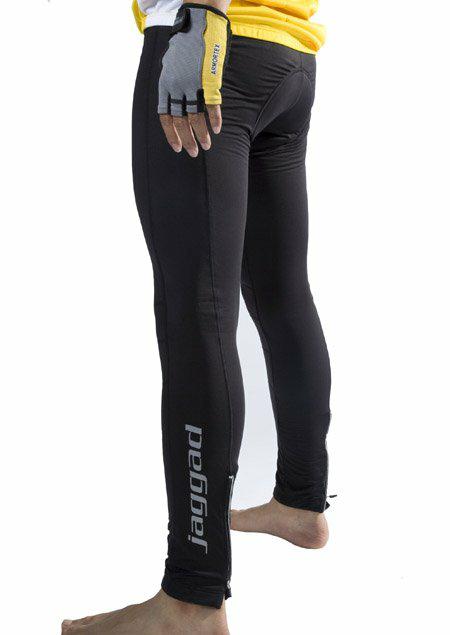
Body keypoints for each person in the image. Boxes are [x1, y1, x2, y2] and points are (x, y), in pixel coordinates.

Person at [62, 0, 331, 632]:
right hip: (288, 55)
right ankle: (301, 503)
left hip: (207, 43)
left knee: (197, 313)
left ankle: (192, 595)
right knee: (281, 291)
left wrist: (202, 15)